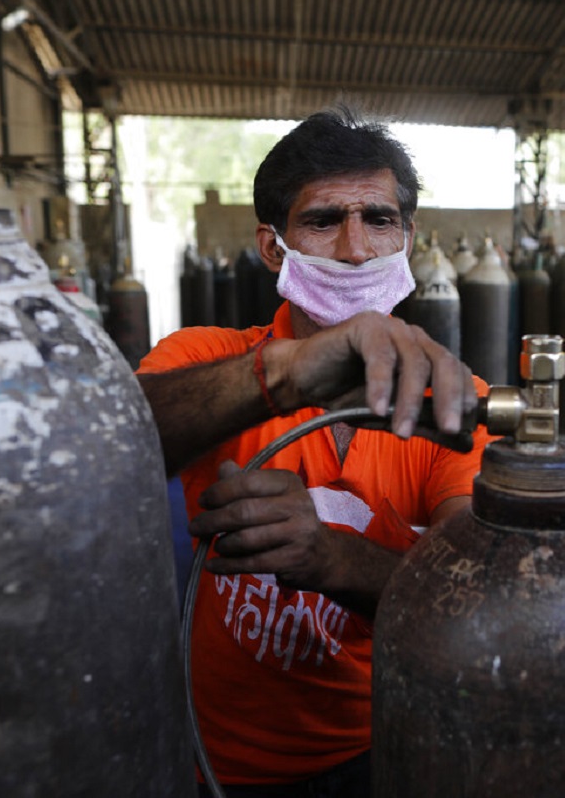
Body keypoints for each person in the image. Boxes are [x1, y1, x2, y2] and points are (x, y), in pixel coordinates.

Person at [136, 108, 496, 797]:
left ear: (408, 240)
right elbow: (111, 441)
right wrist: (288, 371)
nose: (357, 248)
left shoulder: (455, 400)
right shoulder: (206, 360)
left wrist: (332, 557)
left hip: (383, 749)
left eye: (380, 220)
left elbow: (478, 605)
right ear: (274, 248)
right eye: (325, 221)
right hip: (222, 765)